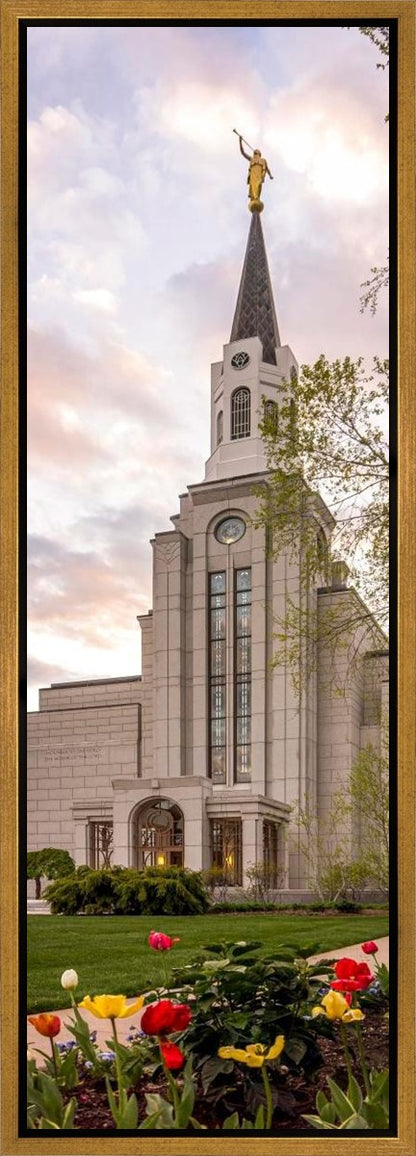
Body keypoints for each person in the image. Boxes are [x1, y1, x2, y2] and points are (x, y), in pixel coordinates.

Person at [238, 135, 273, 202]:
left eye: (257, 151)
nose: (255, 151)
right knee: (253, 188)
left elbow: (267, 169)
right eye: (255, 151)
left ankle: (256, 198)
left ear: (259, 153)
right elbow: (243, 153)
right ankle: (254, 199)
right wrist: (240, 141)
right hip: (253, 176)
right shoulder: (251, 159)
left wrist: (270, 175)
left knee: (258, 186)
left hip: (259, 175)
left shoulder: (263, 160)